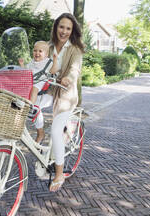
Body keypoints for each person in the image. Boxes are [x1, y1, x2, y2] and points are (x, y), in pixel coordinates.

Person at [47, 13, 85, 192]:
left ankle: (59, 173)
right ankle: (42, 146)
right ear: (56, 27)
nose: (64, 31)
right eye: (61, 27)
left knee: (55, 130)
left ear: (72, 31)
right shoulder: (49, 46)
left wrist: (69, 78)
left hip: (66, 94)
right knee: (29, 108)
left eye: (68, 28)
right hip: (50, 90)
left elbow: (75, 69)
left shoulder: (75, 49)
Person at [19, 40, 58, 143]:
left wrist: (55, 60)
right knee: (21, 87)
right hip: (31, 83)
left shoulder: (48, 62)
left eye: (40, 51)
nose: (37, 53)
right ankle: (40, 132)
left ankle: (30, 105)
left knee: (34, 89)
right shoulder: (31, 62)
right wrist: (22, 65)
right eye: (35, 51)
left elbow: (53, 71)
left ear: (46, 54)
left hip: (42, 83)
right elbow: (25, 72)